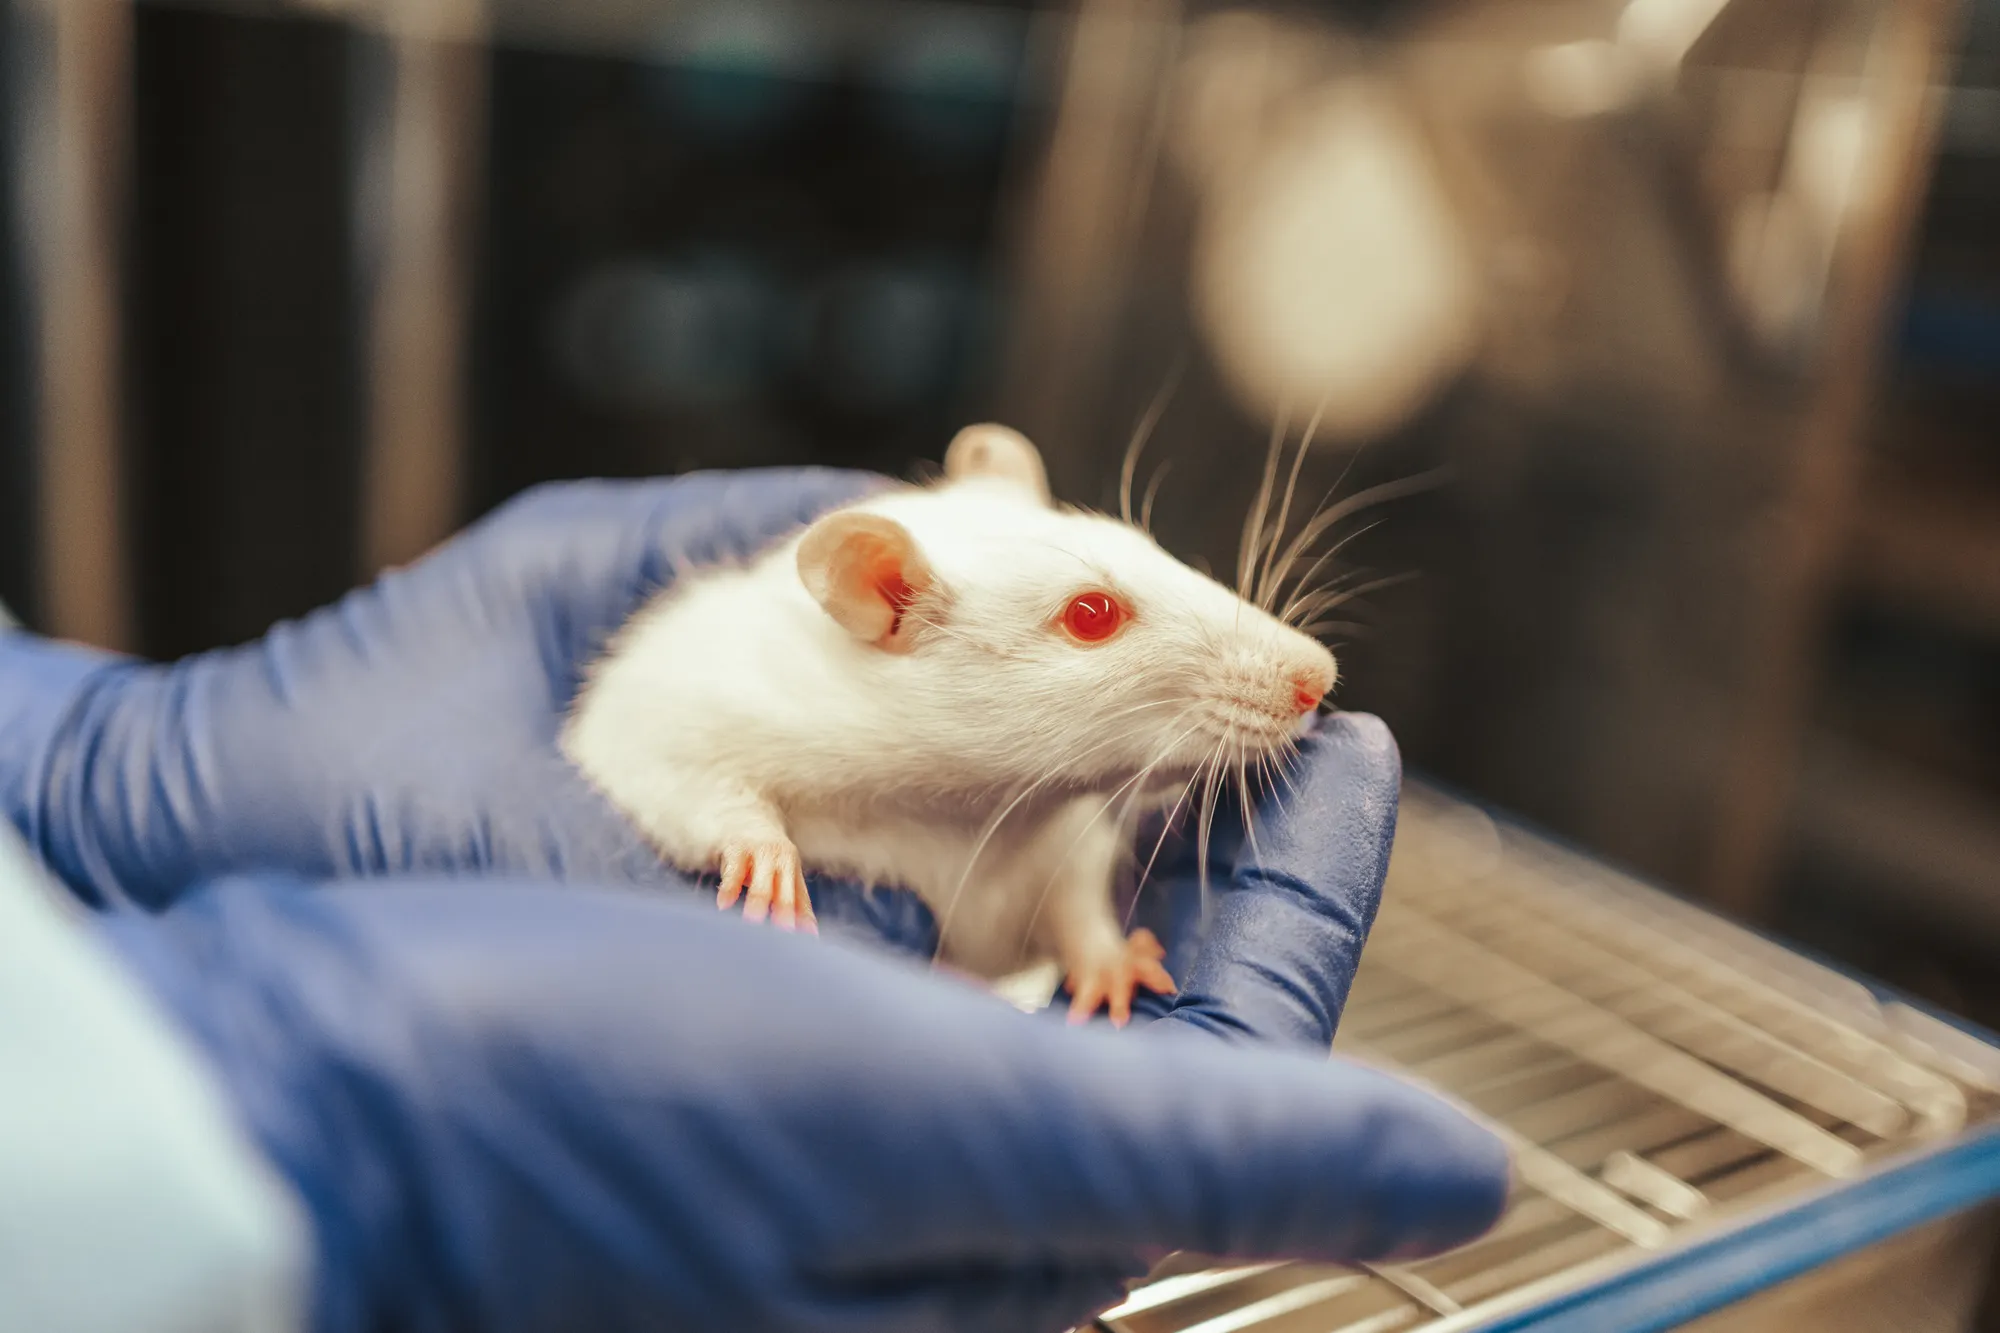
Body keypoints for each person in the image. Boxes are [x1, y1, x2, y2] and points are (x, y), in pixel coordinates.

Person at [0, 467, 1510, 1333]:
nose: (1291, 668)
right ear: (882, 601)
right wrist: (741, 825)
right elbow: (656, 736)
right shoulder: (759, 676)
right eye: (1102, 617)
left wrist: (1091, 937)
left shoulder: (1046, 772)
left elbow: (1063, 847)